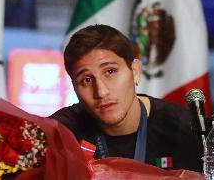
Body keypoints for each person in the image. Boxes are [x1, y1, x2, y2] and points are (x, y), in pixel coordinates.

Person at [50, 24, 203, 172]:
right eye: (86, 80)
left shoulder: (188, 129)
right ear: (75, 88)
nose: (101, 92)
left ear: (135, 71)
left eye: (110, 72)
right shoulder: (61, 133)